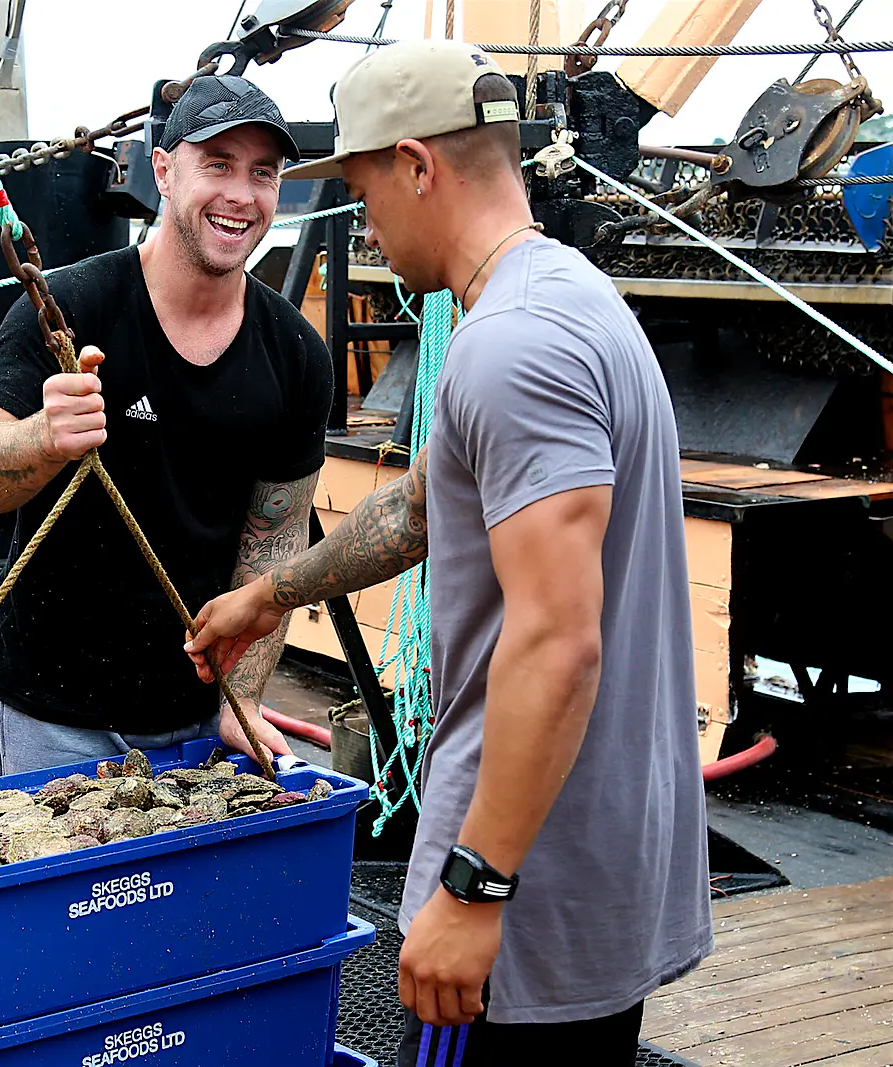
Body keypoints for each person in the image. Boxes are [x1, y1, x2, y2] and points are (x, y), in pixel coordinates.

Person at [184, 41, 712, 1066]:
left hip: (523, 886)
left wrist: (474, 886)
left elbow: (557, 642)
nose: (362, 217)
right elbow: (428, 504)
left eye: (363, 184)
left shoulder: (511, 346)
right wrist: (266, 594)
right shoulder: (571, 297)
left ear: (418, 165)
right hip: (590, 861)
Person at [0, 75, 333, 776]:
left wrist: (238, 699)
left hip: (195, 720)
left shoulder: (298, 353)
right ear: (162, 168)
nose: (241, 195)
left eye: (263, 173)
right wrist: (43, 437)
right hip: (50, 719)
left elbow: (273, 543)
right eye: (217, 164)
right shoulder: (68, 305)